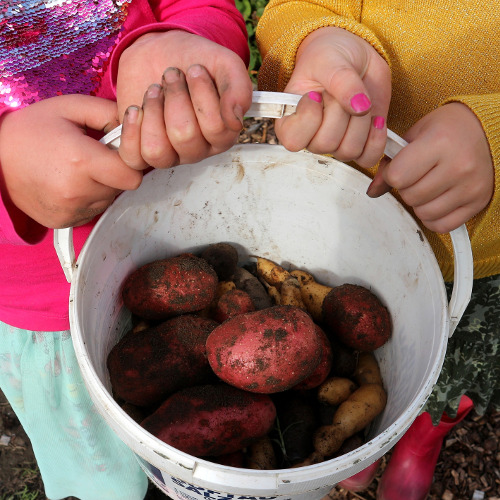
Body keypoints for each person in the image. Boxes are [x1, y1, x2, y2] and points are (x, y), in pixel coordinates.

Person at [0, 1, 252, 499]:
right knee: (109, 465)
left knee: (202, 434)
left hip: (187, 211)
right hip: (49, 313)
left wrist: (175, 43)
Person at [256, 1, 500, 498]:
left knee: (457, 365)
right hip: (346, 201)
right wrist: (316, 39)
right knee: (348, 333)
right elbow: (296, 10)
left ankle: (422, 437)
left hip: (487, 260)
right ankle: (362, 442)